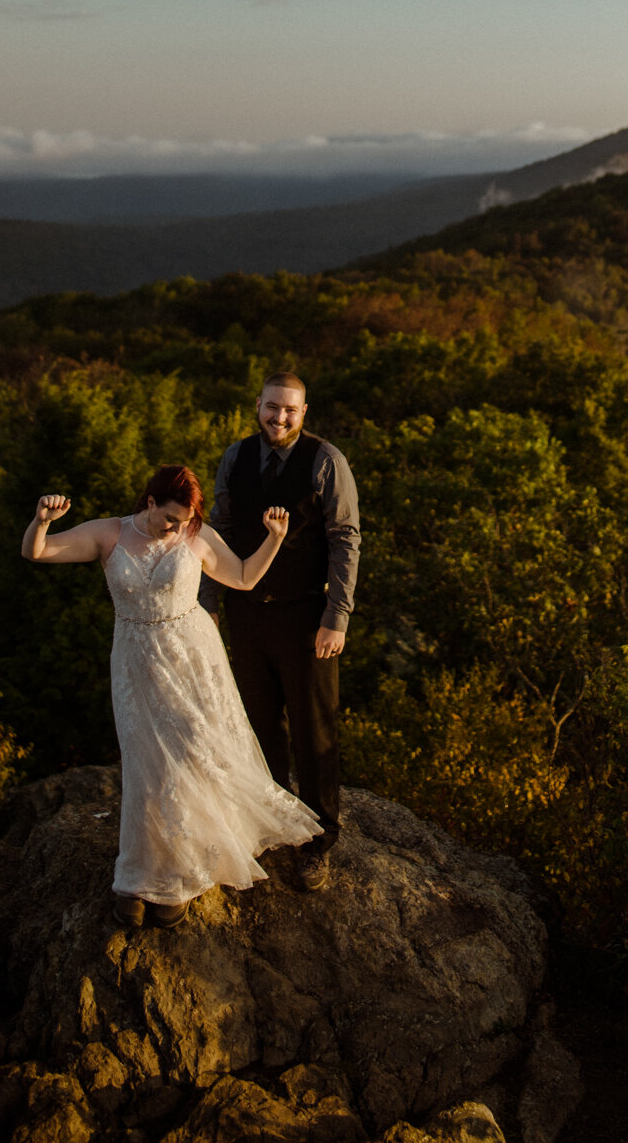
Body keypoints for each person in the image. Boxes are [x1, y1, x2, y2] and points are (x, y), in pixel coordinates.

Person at [21, 462, 321, 928]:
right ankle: (140, 875)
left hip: (191, 658)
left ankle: (181, 873)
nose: (177, 529)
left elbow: (242, 577)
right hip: (136, 660)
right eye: (170, 519)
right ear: (149, 503)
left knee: (189, 756)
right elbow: (37, 553)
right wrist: (42, 522)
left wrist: (275, 538)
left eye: (185, 522)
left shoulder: (196, 535)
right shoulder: (109, 534)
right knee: (147, 763)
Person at [198, 372, 360, 891]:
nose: (280, 418)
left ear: (304, 411)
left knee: (314, 733)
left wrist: (338, 615)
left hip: (306, 616)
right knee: (259, 728)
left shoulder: (326, 461)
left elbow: (345, 540)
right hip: (248, 616)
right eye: (272, 407)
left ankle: (318, 843)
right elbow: (219, 530)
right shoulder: (235, 457)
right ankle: (269, 829)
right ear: (258, 406)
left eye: (290, 410)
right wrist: (209, 602)